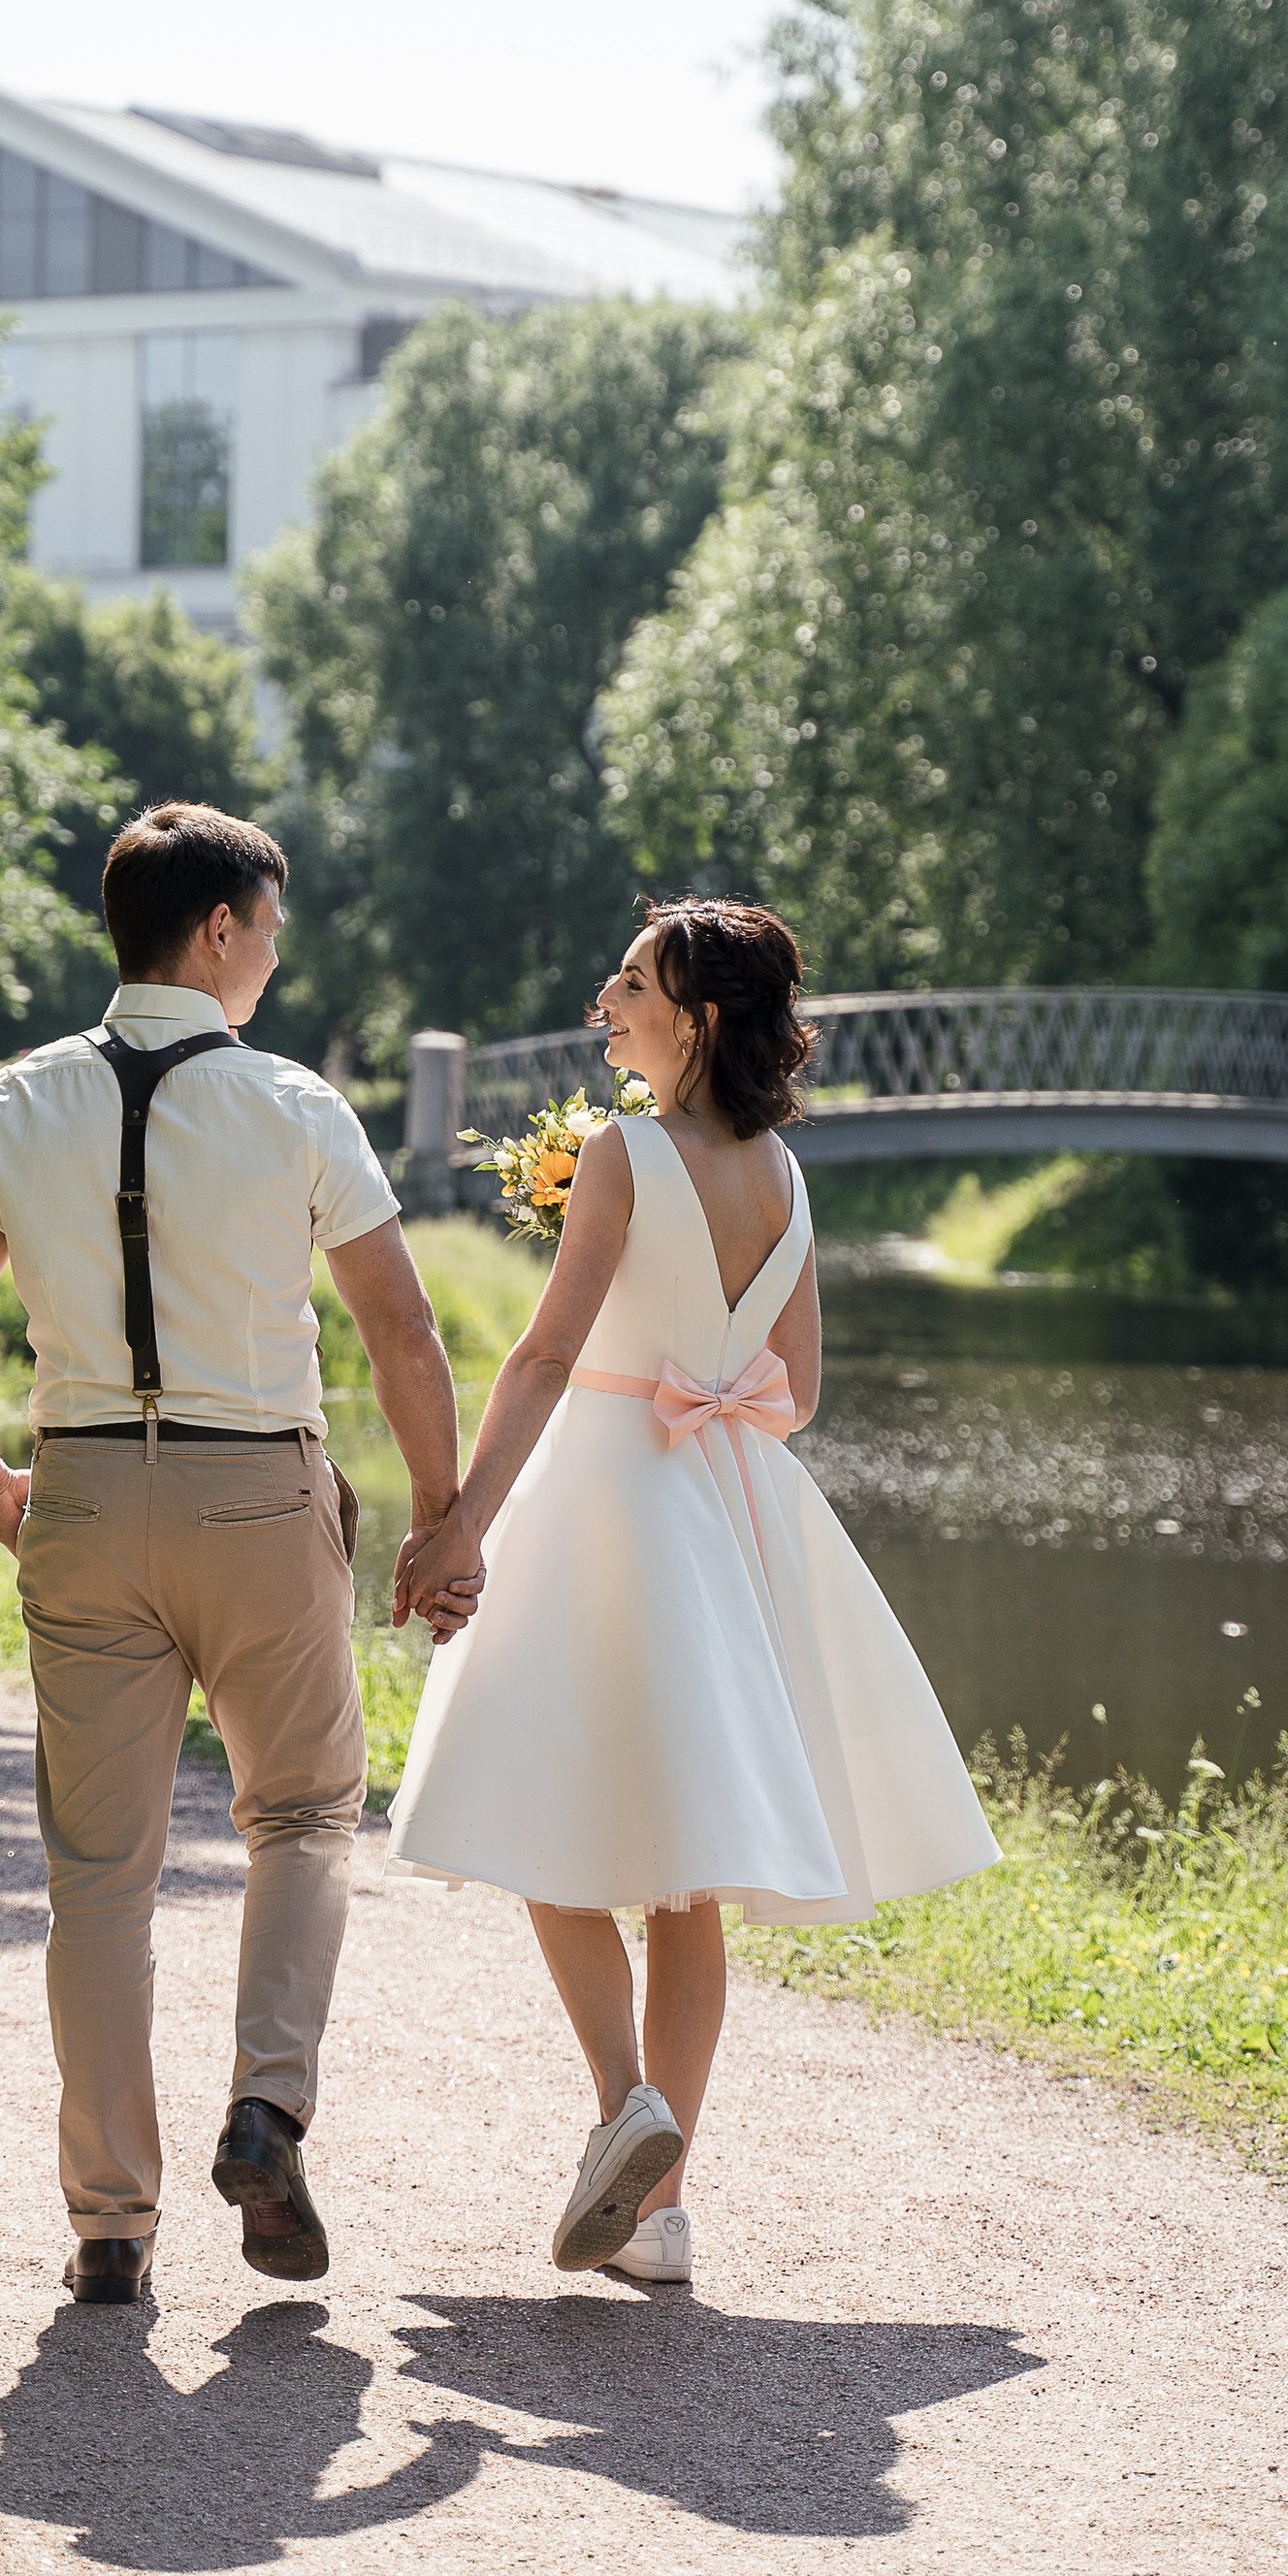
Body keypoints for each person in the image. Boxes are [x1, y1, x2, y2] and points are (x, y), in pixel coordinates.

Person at [0, 802, 471, 2305]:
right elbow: (398, 1326)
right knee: (300, 1815)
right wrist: (440, 1509)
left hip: (83, 1497)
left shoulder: (15, 1102)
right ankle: (267, 2109)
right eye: (270, 932)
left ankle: (108, 2228)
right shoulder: (293, 1106)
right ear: (216, 929)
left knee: (99, 1879)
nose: (276, 961)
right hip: (258, 1503)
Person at [386, 898, 998, 2285]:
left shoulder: (623, 1154)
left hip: (604, 1489)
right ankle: (663, 2213)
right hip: (726, 1505)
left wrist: (461, 1524)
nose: (605, 1000)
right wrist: (707, 1401)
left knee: (533, 1811)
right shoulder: (783, 1176)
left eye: (632, 983)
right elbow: (804, 1392)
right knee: (688, 1879)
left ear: (698, 1019)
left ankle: (626, 2109)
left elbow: (542, 1359)